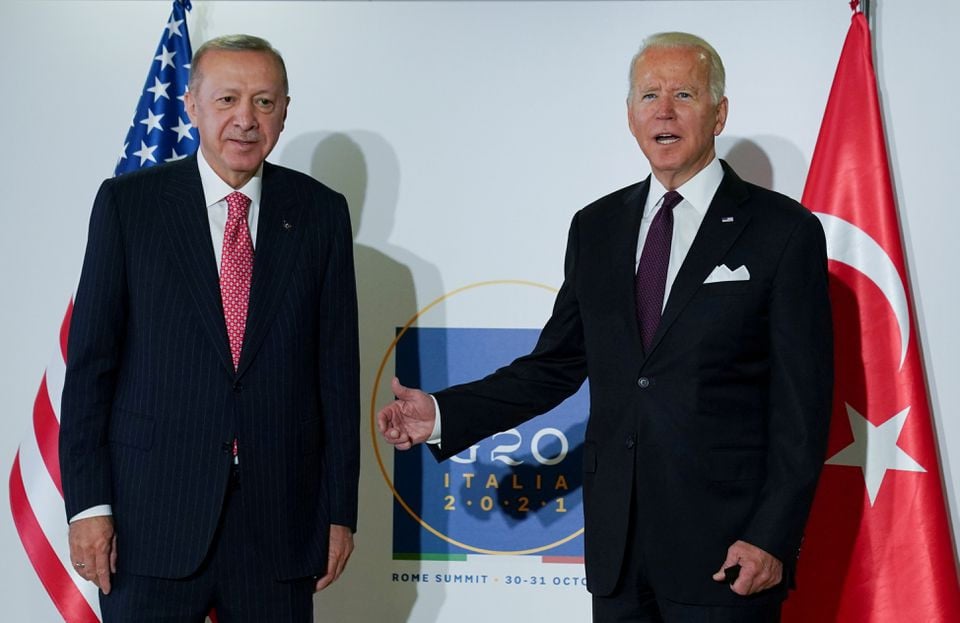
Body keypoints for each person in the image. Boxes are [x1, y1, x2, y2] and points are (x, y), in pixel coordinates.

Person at [377, 31, 832, 622]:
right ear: (629, 115)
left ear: (719, 113)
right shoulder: (595, 228)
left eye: (684, 94)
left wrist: (772, 535)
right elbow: (555, 365)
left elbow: (804, 406)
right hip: (618, 553)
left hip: (728, 552)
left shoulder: (782, 231)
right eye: (648, 96)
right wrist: (442, 414)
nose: (663, 111)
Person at [59, 34, 360, 622]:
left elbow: (337, 377)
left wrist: (338, 511)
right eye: (227, 100)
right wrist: (88, 506)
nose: (245, 120)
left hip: (280, 523)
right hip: (149, 522)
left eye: (264, 102)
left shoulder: (322, 212)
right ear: (192, 105)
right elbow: (91, 367)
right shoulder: (129, 205)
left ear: (285, 112)